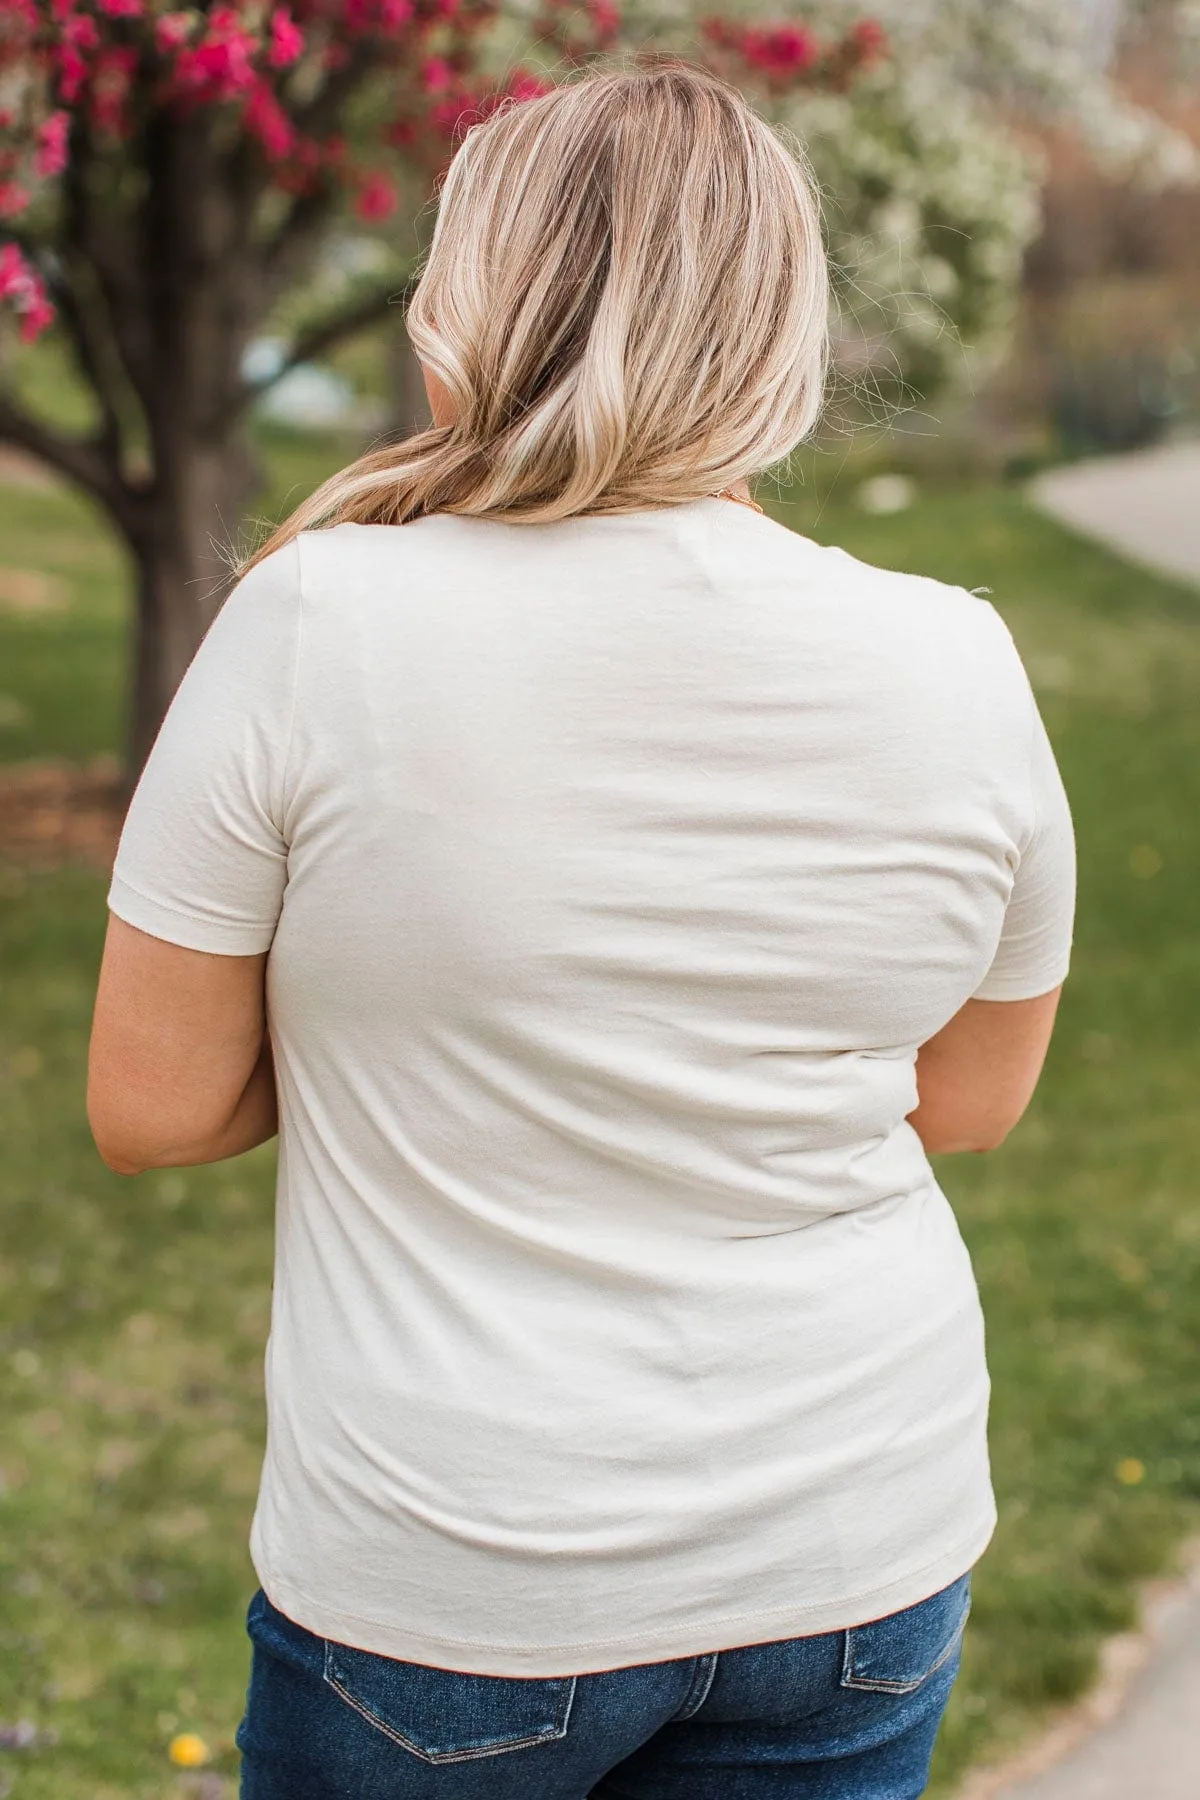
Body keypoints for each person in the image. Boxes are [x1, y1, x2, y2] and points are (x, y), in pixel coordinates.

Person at [87, 60, 1075, 1800]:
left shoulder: (320, 614)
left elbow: (155, 1106)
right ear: (781, 323)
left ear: (473, 304)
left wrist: (414, 1051)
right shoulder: (956, 654)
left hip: (463, 1570)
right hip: (856, 1545)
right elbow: (971, 1100)